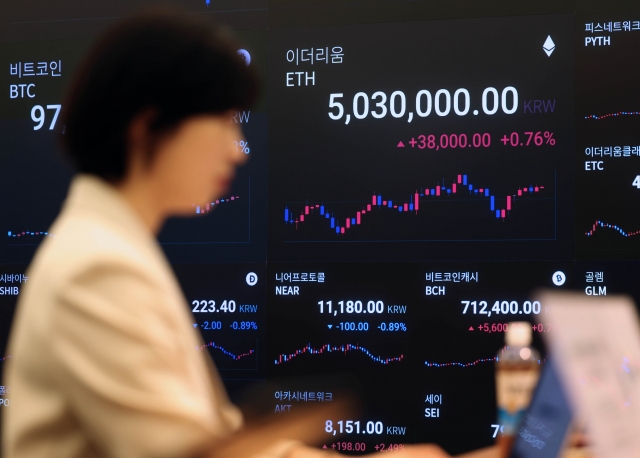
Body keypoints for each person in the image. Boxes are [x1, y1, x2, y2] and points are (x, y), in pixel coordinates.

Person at [2, 9, 449, 458]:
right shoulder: (97, 268)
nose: (237, 150)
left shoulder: (112, 249)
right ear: (147, 127)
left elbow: (210, 437)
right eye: (224, 121)